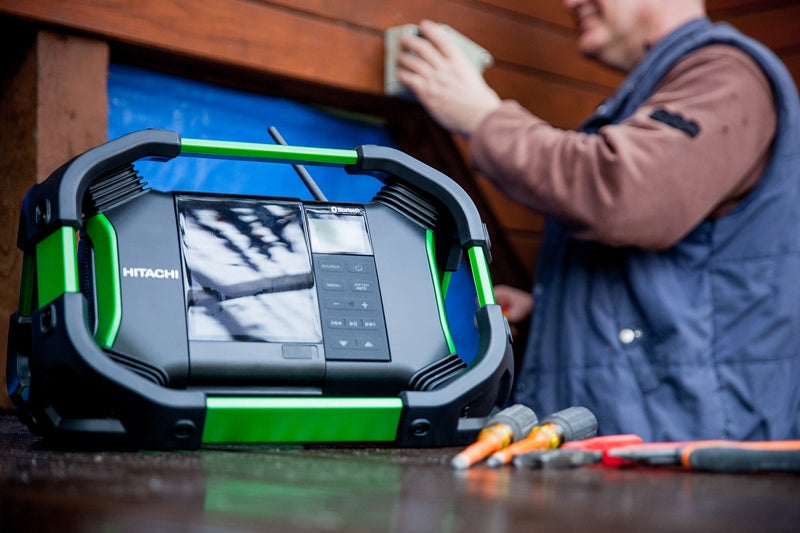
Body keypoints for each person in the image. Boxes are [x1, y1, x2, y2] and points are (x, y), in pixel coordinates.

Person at [396, 0, 800, 441]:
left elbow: (626, 194)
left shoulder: (725, 74)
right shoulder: (670, 84)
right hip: (644, 430)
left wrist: (483, 117)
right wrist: (555, 311)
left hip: (681, 442)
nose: (569, 2)